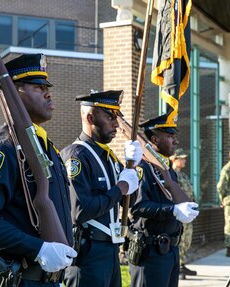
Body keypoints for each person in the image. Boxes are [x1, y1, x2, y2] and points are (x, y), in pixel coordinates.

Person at [0, 54, 77, 287]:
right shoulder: (0, 147)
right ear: (14, 93)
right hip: (15, 280)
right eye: (38, 88)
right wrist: (39, 249)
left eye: (47, 87)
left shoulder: (47, 148)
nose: (48, 93)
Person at [61, 90, 142, 287]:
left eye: (116, 116)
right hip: (88, 254)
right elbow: (80, 210)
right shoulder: (76, 156)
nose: (116, 123)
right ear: (90, 118)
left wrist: (134, 168)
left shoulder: (109, 157)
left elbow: (129, 200)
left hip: (110, 251)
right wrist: (121, 187)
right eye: (110, 116)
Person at [128, 114, 199, 287]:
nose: (175, 140)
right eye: (170, 136)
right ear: (154, 139)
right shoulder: (142, 168)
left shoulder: (167, 169)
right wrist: (173, 210)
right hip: (150, 251)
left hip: (170, 250)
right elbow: (138, 207)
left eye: (175, 136)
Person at [170, 148, 197, 279]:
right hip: (180, 213)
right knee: (180, 240)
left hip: (188, 212)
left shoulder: (183, 175)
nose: (184, 160)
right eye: (182, 158)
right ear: (174, 160)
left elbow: (190, 191)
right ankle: (178, 267)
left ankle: (183, 262)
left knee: (187, 239)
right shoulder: (171, 174)